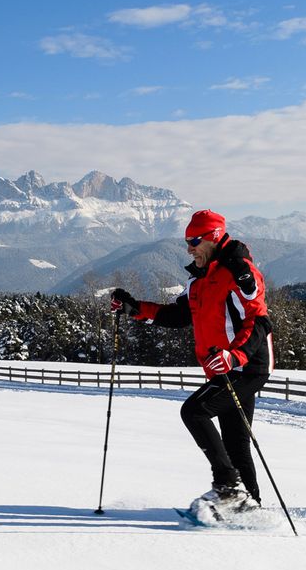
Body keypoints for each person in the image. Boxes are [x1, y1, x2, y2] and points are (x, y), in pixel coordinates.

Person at [110, 210, 273, 510]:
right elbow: (179, 315)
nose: (189, 248)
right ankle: (250, 507)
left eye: (194, 240)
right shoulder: (198, 279)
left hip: (246, 366)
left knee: (194, 412)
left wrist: (234, 356)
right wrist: (135, 309)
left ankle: (226, 484)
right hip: (222, 367)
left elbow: (259, 322)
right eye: (187, 241)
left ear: (212, 237)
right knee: (236, 442)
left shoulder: (239, 271)